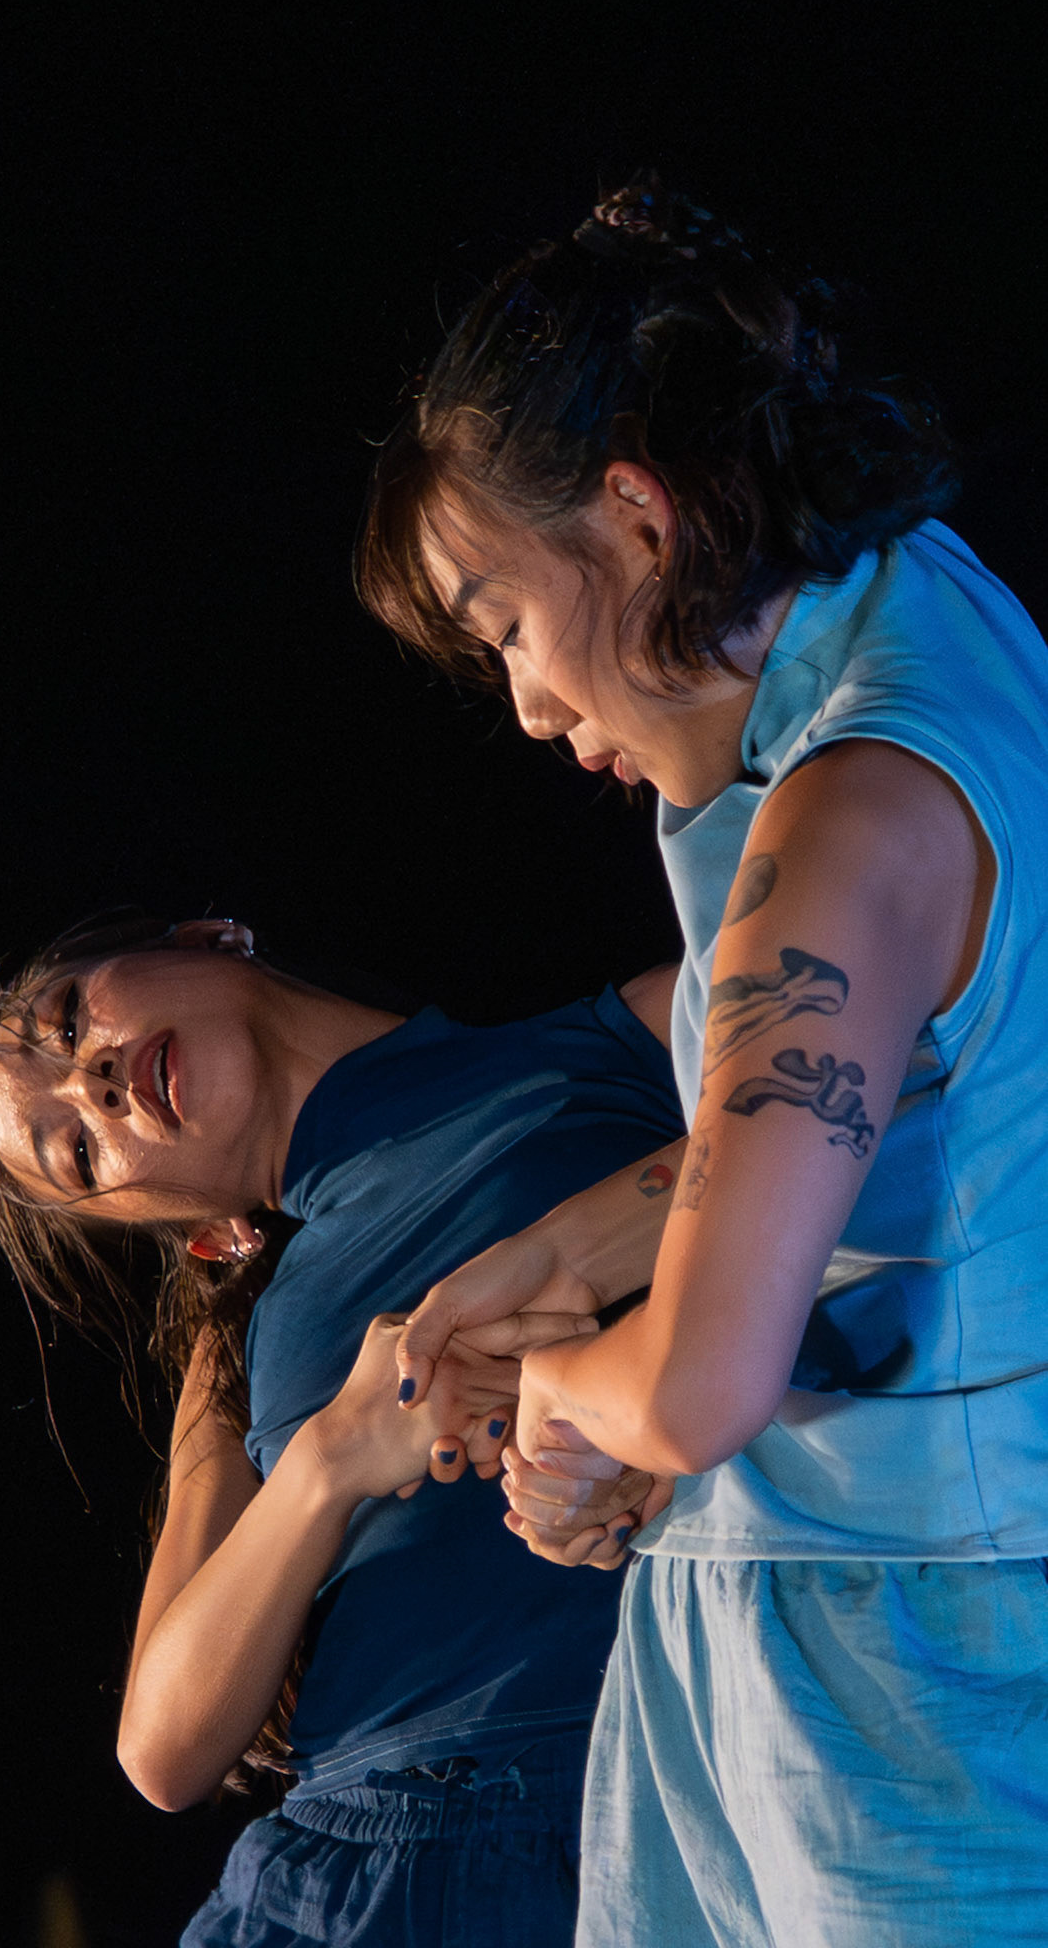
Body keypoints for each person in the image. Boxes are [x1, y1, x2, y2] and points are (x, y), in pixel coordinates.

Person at [357, 180, 1048, 1945]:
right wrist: (558, 1262)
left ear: (640, 517)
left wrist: (566, 1399)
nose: (528, 706)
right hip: (882, 1620)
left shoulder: (843, 815)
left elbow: (697, 1386)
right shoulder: (936, 609)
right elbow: (896, 1109)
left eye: (503, 624)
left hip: (899, 1681)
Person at [0, 912, 685, 1946]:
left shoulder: (613, 1040)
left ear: (208, 935)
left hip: (662, 1775)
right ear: (207, 1237)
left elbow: (870, 1101)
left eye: (68, 1022)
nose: (94, 1086)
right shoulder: (234, 1337)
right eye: (78, 1150)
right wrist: (331, 1458)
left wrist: (590, 1300)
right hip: (359, 1859)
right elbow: (163, 1749)